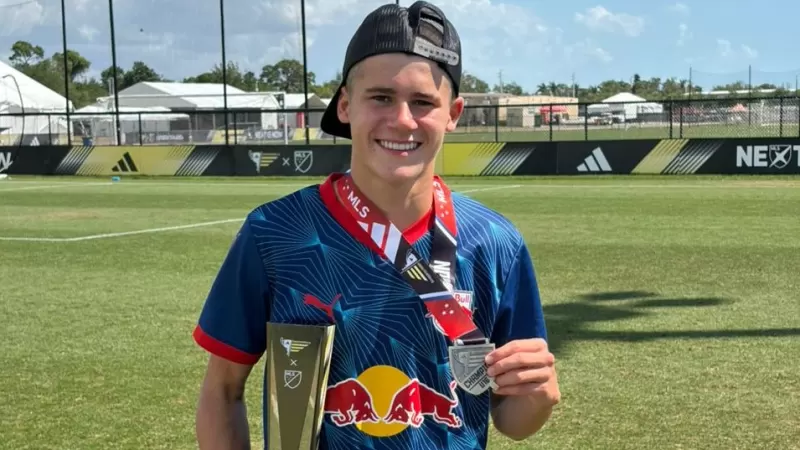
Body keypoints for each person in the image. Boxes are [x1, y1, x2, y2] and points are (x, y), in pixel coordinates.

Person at [192, 2, 560, 449]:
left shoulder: (495, 242)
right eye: (381, 97)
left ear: (453, 113)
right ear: (346, 105)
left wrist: (538, 396)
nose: (402, 120)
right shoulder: (275, 231)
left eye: (423, 102)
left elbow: (511, 420)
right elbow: (222, 391)